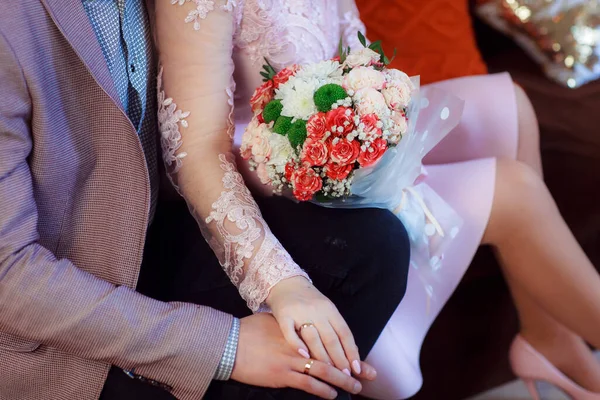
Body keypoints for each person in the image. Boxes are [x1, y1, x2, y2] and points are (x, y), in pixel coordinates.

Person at [154, 1, 600, 399]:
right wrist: (281, 283)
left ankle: (552, 338)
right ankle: (398, 320)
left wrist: (379, 119)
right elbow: (193, 152)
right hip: (277, 176)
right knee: (513, 192)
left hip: (338, 143)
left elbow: (356, 63)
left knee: (510, 108)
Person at [0, 2, 410, 400]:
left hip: (151, 249)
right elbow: (9, 277)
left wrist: (287, 286)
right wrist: (227, 347)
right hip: (53, 329)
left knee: (376, 246)